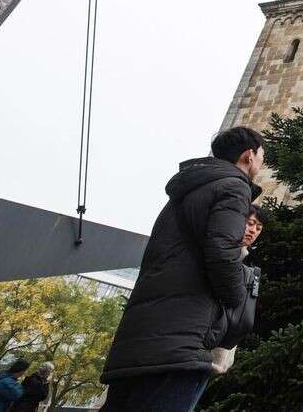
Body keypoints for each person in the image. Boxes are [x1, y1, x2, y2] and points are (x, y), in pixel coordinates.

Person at [99, 127, 265, 412]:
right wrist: (236, 303)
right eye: (263, 158)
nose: (262, 166)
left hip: (142, 337)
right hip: (181, 341)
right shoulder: (234, 186)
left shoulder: (188, 190)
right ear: (248, 156)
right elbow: (223, 252)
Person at [209, 204, 268, 376]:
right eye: (250, 223)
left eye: (258, 228)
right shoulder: (218, 255)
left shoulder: (244, 267)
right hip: (197, 354)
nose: (253, 231)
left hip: (217, 362)